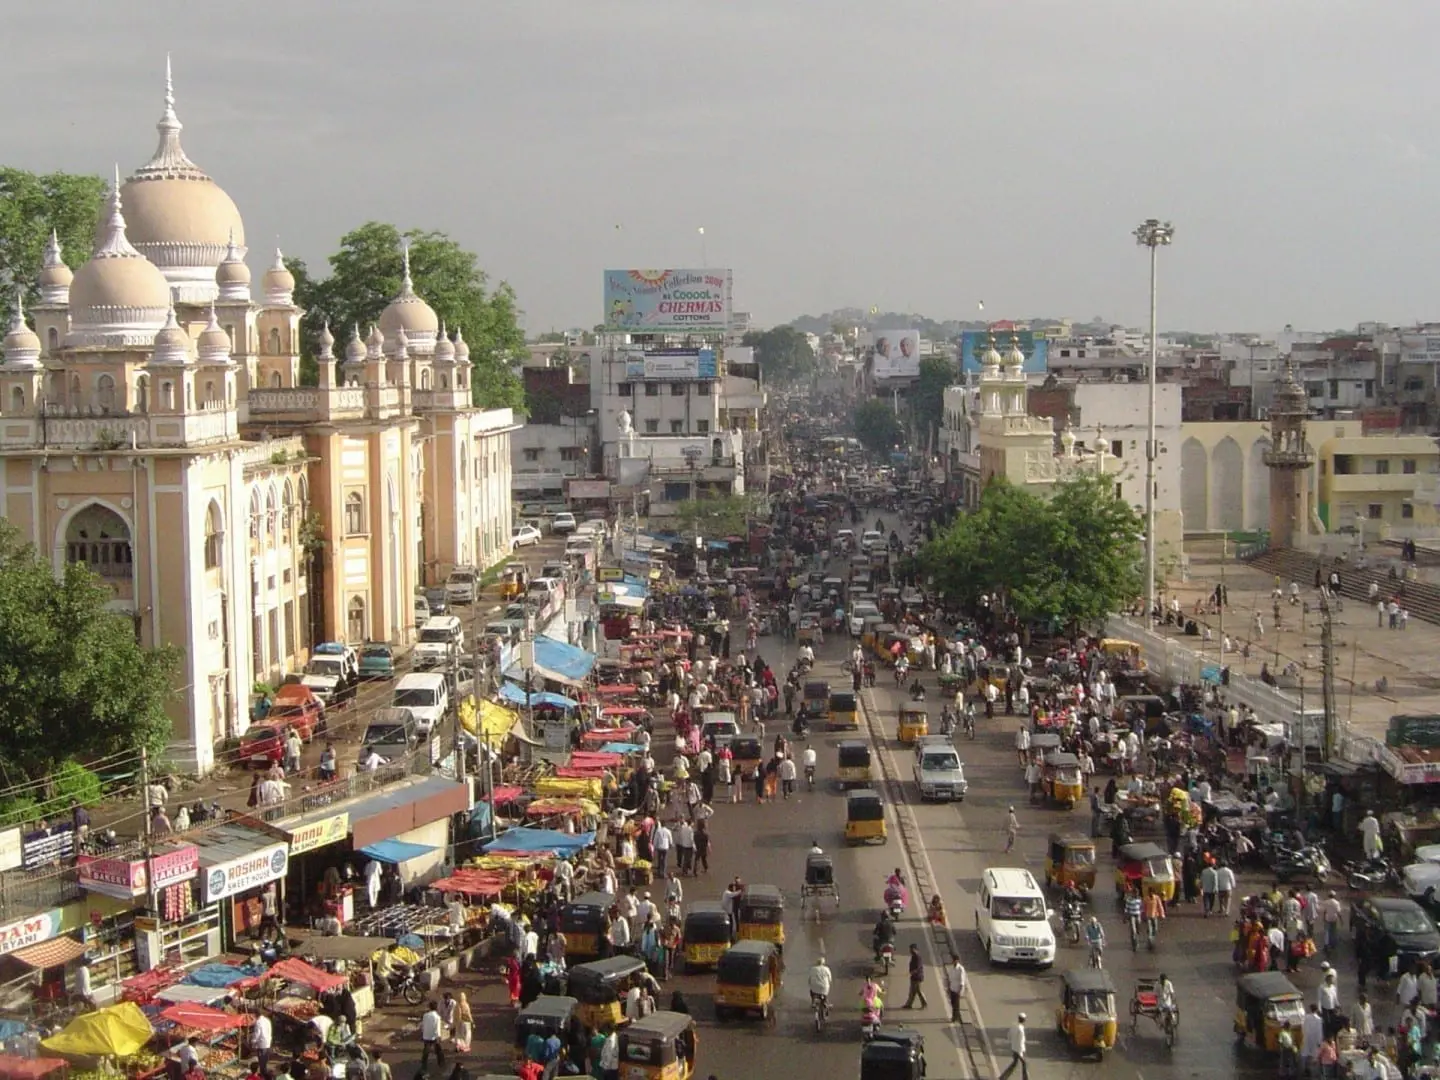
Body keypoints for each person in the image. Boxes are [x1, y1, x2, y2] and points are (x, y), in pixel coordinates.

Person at [420, 1001, 445, 1070]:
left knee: (426, 1050)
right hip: (433, 1036)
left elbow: (423, 1025)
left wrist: (423, 1032)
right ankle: (441, 1063)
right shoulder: (437, 1017)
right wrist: (438, 1036)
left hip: (426, 1036)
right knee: (438, 1050)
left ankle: (424, 1064)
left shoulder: (425, 1015)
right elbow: (437, 1028)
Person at [1003, 1013, 1029, 1080]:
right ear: (1023, 1020)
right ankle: (1025, 1078)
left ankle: (1003, 1077)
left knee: (1015, 1063)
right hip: (1018, 1049)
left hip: (1014, 1047)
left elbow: (1009, 1036)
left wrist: (1012, 1042)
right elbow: (1020, 1041)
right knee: (1024, 1063)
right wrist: (1021, 1052)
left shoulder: (1014, 1026)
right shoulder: (1020, 1029)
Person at [902, 943, 928, 1009]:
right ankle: (909, 1004)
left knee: (918, 991)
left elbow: (918, 967)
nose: (910, 951)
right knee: (912, 991)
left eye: (911, 949)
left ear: (915, 949)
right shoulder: (914, 956)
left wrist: (911, 972)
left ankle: (924, 1003)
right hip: (914, 977)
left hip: (917, 977)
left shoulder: (917, 957)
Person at [945, 957, 967, 1023]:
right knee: (952, 1003)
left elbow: (962, 981)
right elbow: (949, 978)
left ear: (957, 961)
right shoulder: (951, 968)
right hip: (952, 988)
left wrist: (960, 991)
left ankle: (954, 1018)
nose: (953, 962)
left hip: (957, 990)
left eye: (955, 960)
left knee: (956, 1005)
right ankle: (956, 1015)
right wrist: (948, 988)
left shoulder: (961, 969)